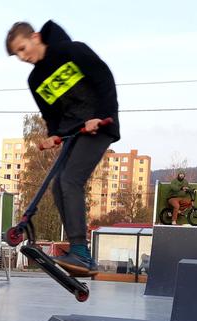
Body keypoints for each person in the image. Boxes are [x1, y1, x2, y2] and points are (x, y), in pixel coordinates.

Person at [6, 20, 119, 274]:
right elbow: (51, 115)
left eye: (23, 49)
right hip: (73, 133)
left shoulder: (72, 52)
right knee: (58, 185)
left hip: (99, 125)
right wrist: (52, 135)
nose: (23, 57)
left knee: (69, 180)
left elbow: (104, 79)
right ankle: (79, 252)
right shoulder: (35, 80)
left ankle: (80, 251)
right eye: (17, 55)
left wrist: (100, 115)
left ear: (35, 37)